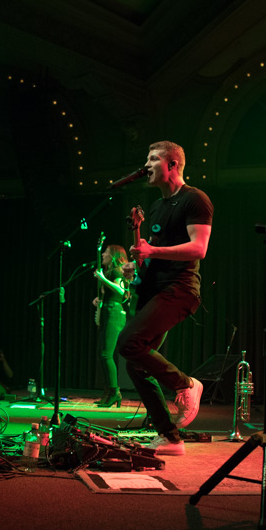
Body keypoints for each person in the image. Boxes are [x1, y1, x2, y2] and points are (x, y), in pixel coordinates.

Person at [116, 140, 212, 456]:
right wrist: (136, 264)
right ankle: (171, 438)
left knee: (127, 343)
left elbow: (199, 248)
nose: (147, 165)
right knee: (136, 365)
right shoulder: (157, 206)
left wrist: (152, 250)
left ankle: (186, 385)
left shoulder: (195, 199)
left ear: (172, 164)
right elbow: (154, 256)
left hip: (180, 288)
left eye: (153, 158)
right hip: (158, 289)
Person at [92, 244, 130, 407]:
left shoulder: (115, 271)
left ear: (113, 256)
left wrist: (103, 279)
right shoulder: (108, 272)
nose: (103, 255)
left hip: (114, 313)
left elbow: (121, 291)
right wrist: (98, 301)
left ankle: (114, 392)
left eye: (106, 252)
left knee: (106, 355)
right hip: (108, 311)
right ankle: (109, 392)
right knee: (103, 355)